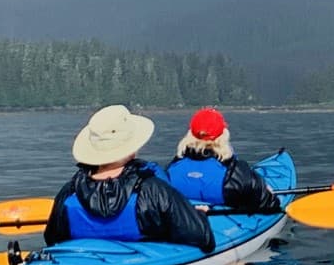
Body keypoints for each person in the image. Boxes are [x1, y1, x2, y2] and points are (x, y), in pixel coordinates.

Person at [43, 104, 214, 252]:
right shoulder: (153, 189)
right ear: (132, 149)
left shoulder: (70, 192)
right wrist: (199, 216)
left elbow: (52, 238)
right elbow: (203, 238)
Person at [166, 107, 284, 214]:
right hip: (224, 228)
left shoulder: (171, 169)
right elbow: (271, 206)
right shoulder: (237, 173)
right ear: (223, 135)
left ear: (190, 134)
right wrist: (266, 191)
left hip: (183, 220)